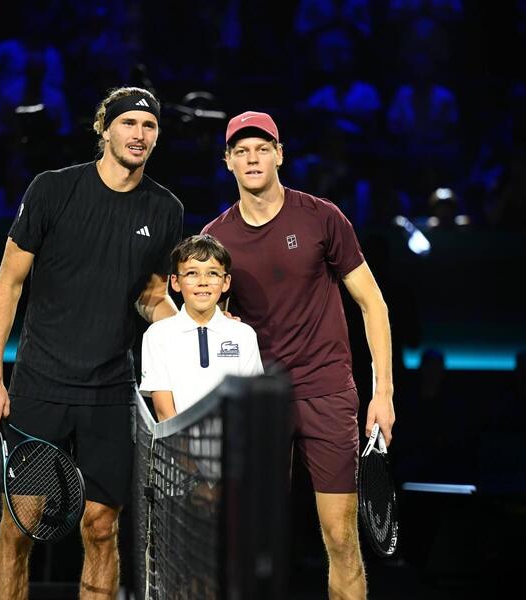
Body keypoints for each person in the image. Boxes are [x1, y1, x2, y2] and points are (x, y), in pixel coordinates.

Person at [0, 86, 183, 600]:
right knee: (18, 526)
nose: (139, 134)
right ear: (104, 128)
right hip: (41, 386)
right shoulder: (51, 189)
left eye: (149, 126)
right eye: (129, 123)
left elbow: (153, 297)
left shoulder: (166, 208)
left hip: (111, 391)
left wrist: (193, 332)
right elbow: (8, 283)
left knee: (101, 528)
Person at [202, 111, 395, 599]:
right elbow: (204, 325)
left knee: (340, 537)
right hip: (259, 403)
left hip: (327, 391)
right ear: (227, 162)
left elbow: (372, 303)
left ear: (279, 154)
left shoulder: (322, 217)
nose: (252, 158)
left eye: (262, 148)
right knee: (254, 545)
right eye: (241, 151)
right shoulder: (215, 240)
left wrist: (383, 394)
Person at [140, 234, 263, 422]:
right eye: (191, 273)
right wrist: (182, 450)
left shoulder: (243, 335)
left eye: (212, 273)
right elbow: (164, 411)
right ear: (175, 281)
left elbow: (252, 401)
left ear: (226, 282)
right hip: (178, 447)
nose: (203, 281)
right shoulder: (158, 335)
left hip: (234, 447)